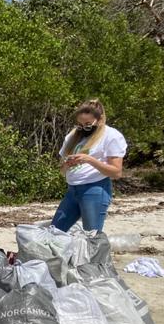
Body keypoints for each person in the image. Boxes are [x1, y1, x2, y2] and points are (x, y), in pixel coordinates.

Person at [51, 99, 126, 233]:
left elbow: (116, 172)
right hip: (72, 190)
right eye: (80, 125)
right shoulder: (73, 136)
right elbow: (61, 171)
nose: (83, 128)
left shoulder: (111, 136)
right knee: (55, 231)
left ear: (100, 119)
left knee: (91, 235)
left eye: (87, 124)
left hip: (95, 189)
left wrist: (90, 160)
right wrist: (67, 164)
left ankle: (96, 254)